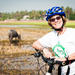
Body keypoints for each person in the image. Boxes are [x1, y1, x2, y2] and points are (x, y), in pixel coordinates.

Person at [32, 6, 75, 75]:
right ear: (50, 23)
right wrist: (44, 49)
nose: (56, 21)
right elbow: (35, 44)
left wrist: (66, 59)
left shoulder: (72, 32)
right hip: (60, 71)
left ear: (62, 19)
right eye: (52, 19)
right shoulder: (51, 35)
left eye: (58, 18)